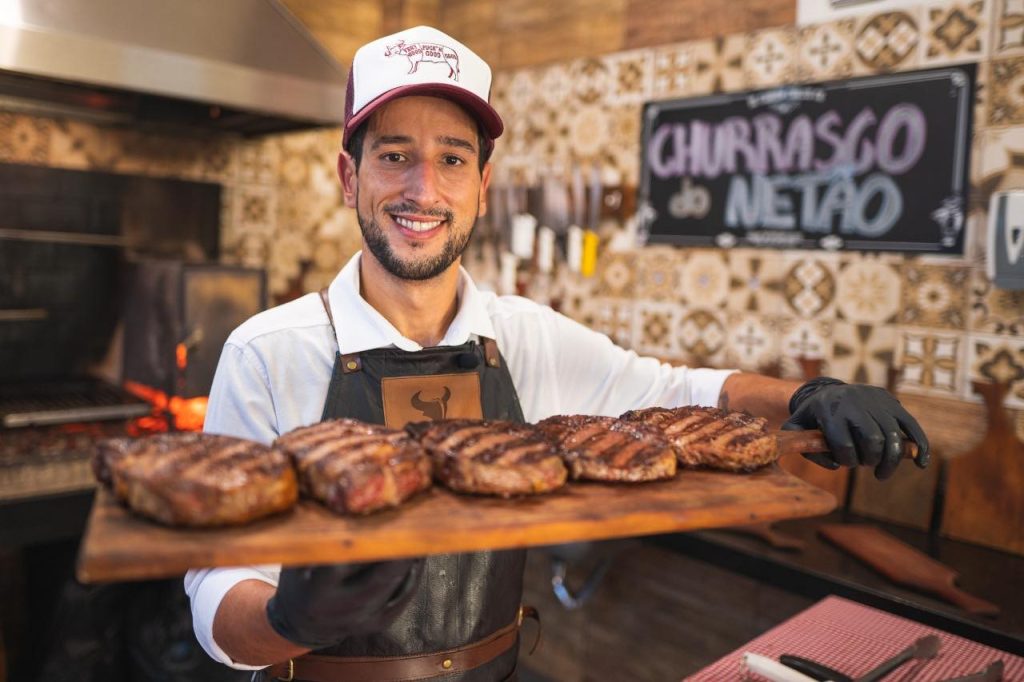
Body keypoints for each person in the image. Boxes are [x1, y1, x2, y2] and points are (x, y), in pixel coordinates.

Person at [185, 25, 929, 682]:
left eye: (451, 159)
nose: (423, 187)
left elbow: (680, 391)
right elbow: (215, 599)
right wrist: (290, 620)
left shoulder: (528, 337)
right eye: (394, 155)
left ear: (481, 185)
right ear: (350, 177)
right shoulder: (266, 353)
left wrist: (803, 398)